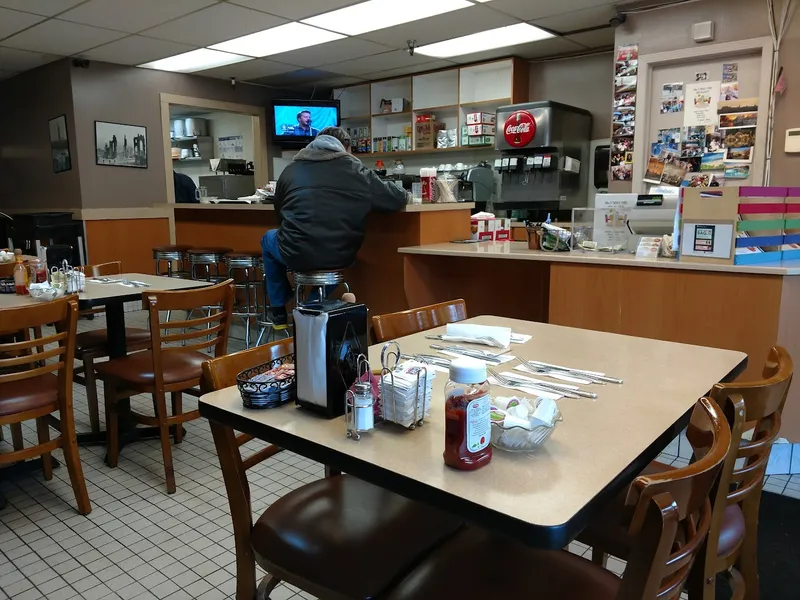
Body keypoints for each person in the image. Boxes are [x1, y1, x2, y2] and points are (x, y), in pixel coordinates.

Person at [261, 127, 408, 325]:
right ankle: (312, 305)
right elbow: (396, 199)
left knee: (268, 239)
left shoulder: (290, 170)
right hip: (342, 254)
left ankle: (279, 308)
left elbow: (279, 215)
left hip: (296, 253)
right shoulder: (356, 170)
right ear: (345, 148)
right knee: (336, 261)